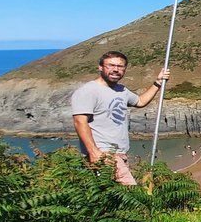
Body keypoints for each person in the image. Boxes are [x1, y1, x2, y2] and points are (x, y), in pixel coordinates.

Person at [71, 51, 169, 185]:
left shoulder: (121, 90)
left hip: (120, 154)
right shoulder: (88, 91)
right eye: (111, 65)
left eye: (120, 66)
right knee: (131, 195)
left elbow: (140, 101)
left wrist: (157, 83)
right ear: (100, 67)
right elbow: (80, 122)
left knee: (113, 198)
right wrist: (93, 152)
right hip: (104, 154)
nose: (116, 69)